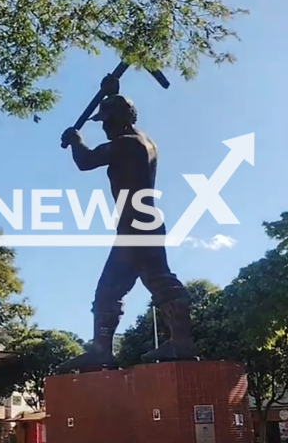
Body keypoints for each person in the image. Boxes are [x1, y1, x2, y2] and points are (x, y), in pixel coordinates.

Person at [58, 74, 196, 371]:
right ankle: (173, 342)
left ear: (120, 119)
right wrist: (111, 92)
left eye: (107, 121)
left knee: (119, 288)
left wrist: (75, 140)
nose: (105, 127)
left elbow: (86, 161)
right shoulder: (144, 141)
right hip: (144, 222)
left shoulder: (129, 144)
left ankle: (102, 351)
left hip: (135, 225)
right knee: (147, 282)